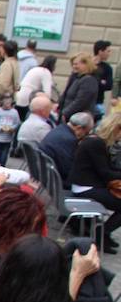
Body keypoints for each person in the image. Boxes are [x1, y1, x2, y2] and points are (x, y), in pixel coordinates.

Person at [70, 112, 121, 251]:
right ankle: (102, 234)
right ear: (116, 129)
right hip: (85, 187)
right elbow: (106, 173)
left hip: (86, 184)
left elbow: (106, 169)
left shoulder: (95, 140)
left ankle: (104, 234)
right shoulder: (96, 143)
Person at [39, 111, 94, 182]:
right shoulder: (70, 139)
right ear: (79, 128)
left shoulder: (60, 128)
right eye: (86, 133)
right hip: (55, 178)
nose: (84, 136)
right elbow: (67, 170)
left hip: (45, 170)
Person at [60, 53, 100, 120]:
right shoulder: (76, 78)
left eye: (76, 64)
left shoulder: (89, 80)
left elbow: (80, 102)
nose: (74, 66)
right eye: (73, 64)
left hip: (78, 120)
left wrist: (65, 113)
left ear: (86, 64)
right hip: (70, 116)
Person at [0, 96, 20, 166]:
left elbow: (17, 123)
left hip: (7, 138)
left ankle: (2, 166)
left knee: (4, 155)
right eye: (6, 102)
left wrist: (12, 128)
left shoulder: (14, 112)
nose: (7, 104)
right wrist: (0, 128)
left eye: (9, 103)